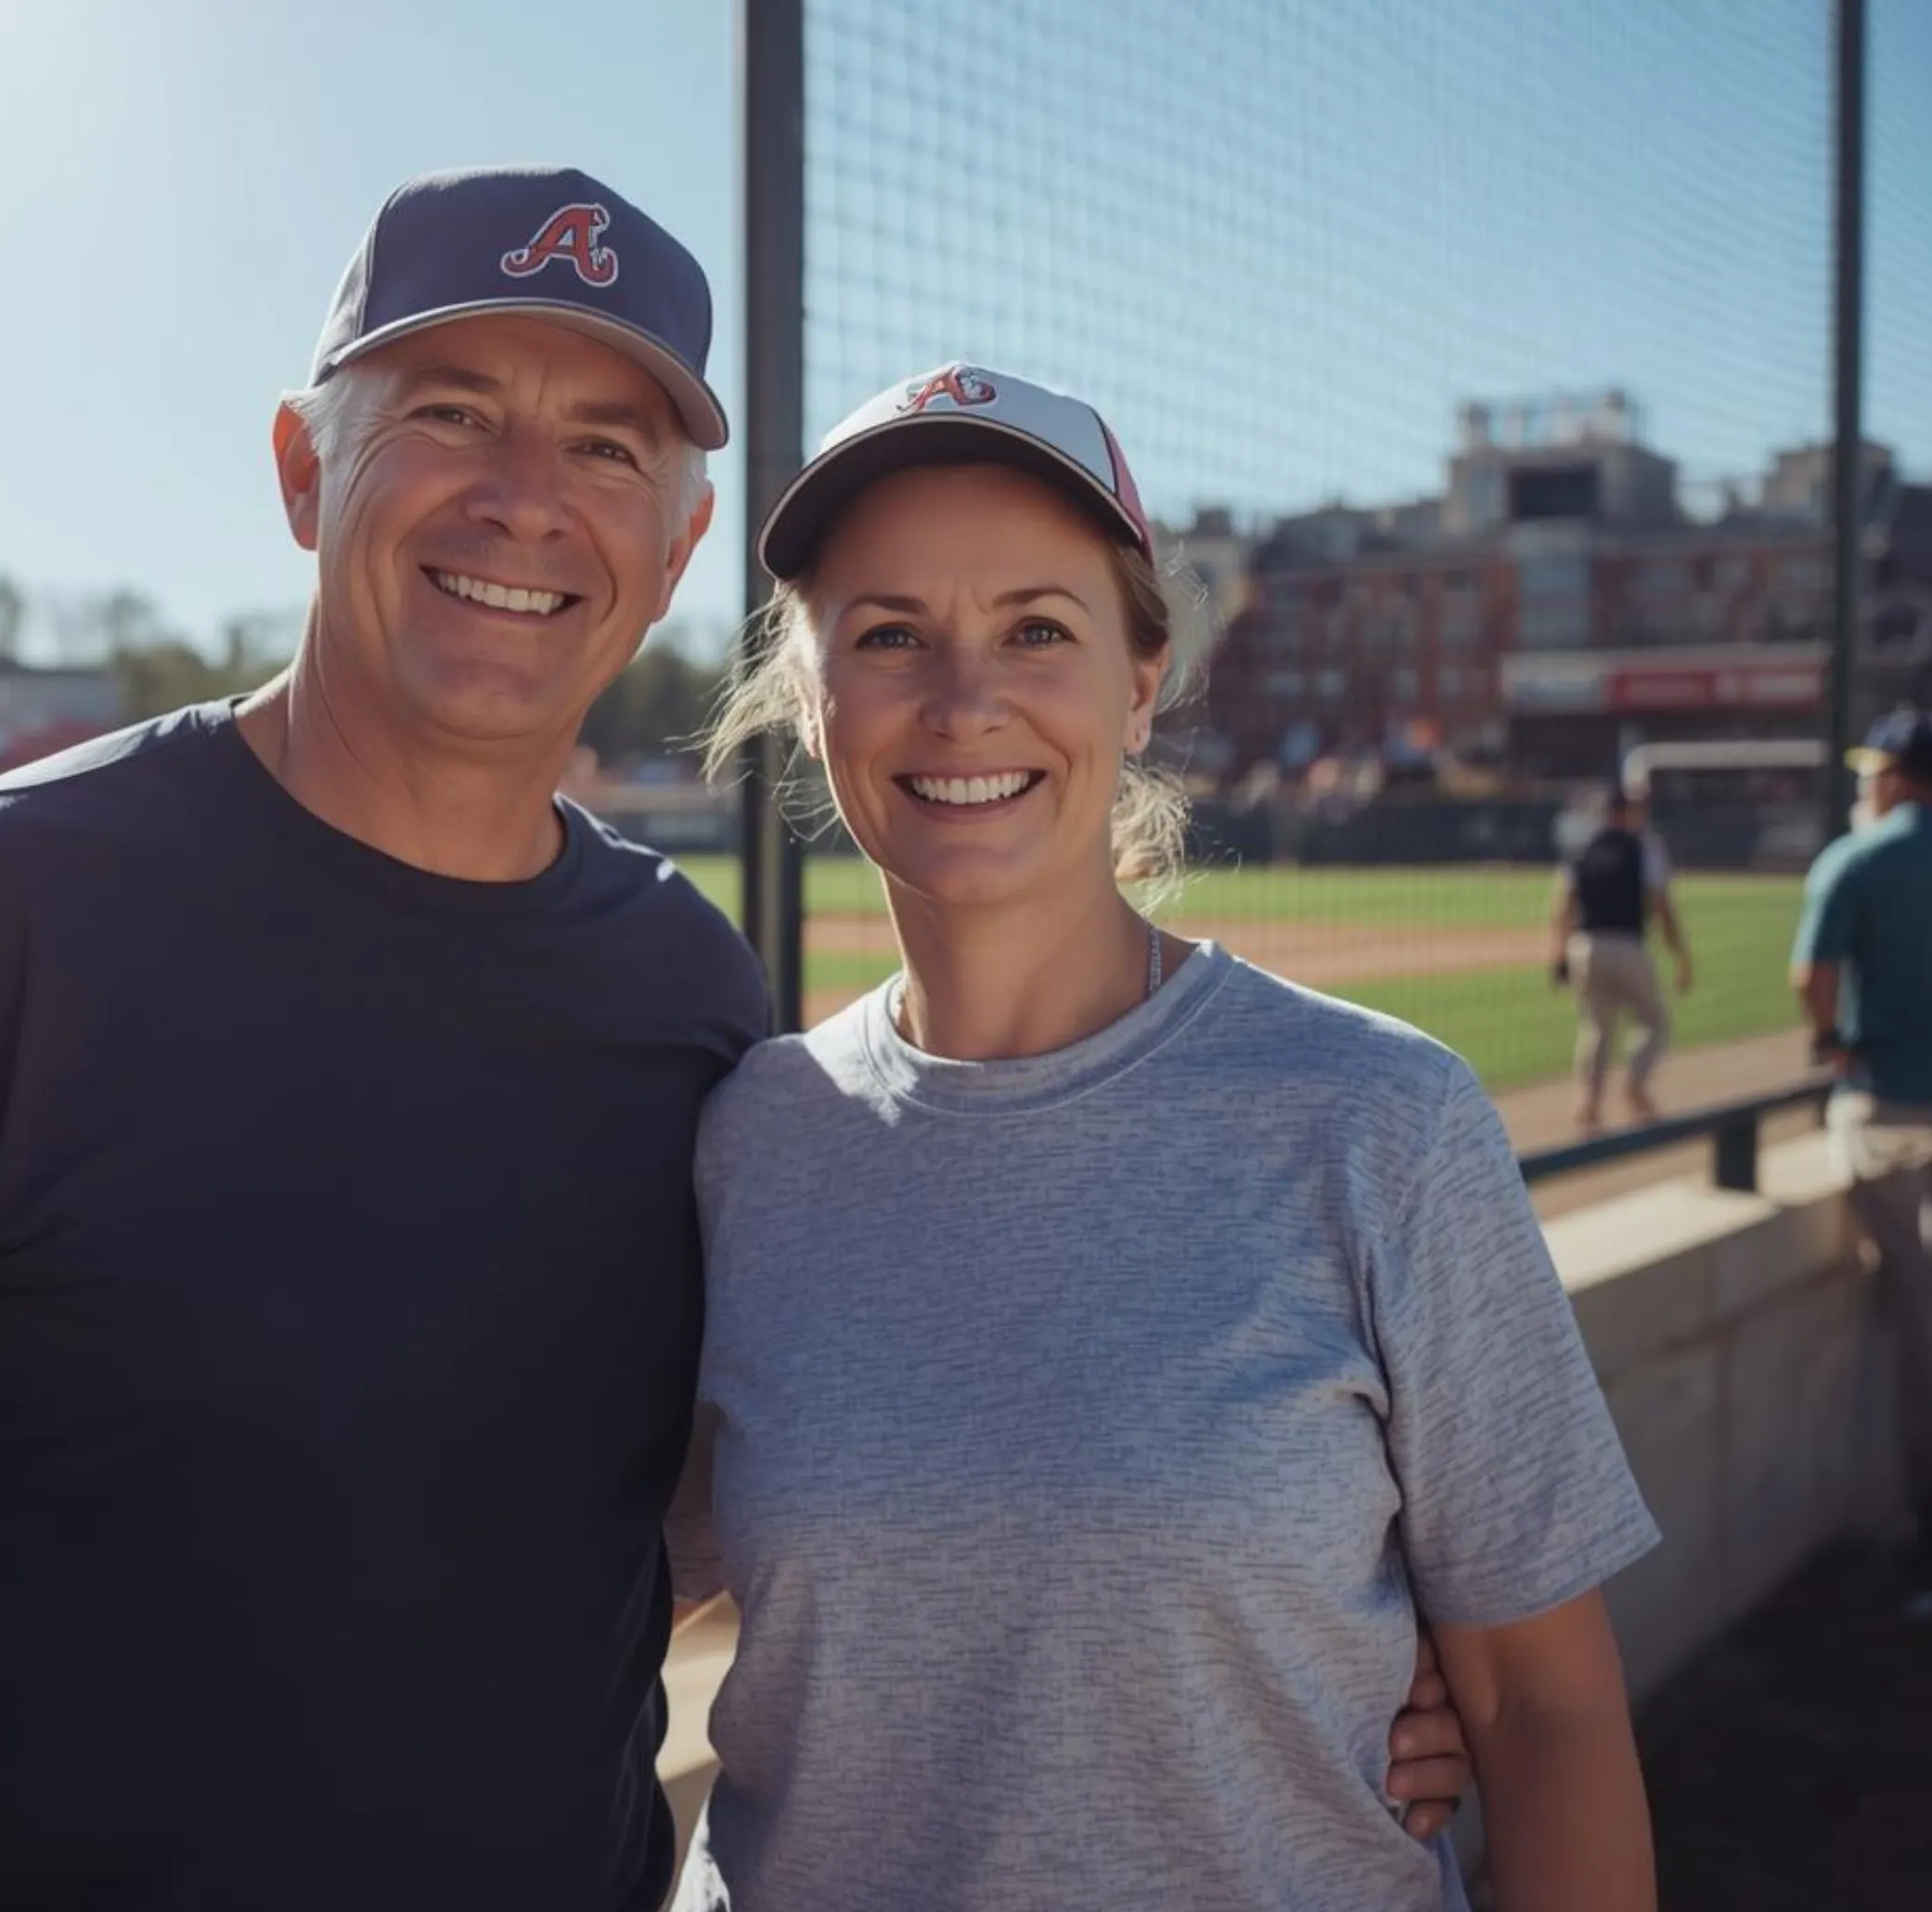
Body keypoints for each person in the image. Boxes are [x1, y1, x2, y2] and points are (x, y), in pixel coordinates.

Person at [0, 174, 1472, 1912]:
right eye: (451, 414)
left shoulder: (688, 997)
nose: (525, 498)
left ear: (677, 542)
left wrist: (1302, 1661)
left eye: (606, 445)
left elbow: (705, 1510)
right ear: (303, 468)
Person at [663, 366, 1659, 1909]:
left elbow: (1546, 1714)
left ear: (1142, 683)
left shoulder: (1379, 1122)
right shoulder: (748, 1141)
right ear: (812, 696)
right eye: (889, 635)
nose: (964, 699)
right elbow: (583, 1599)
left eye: (1037, 630)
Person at [1792, 707, 1932, 1539]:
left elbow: (1811, 976)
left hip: (1891, 1100)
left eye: (1872, 773)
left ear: (1894, 779)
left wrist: (1832, 1043)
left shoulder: (1859, 855)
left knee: (1917, 1296)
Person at [1551, 782, 1692, 1133]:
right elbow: (1661, 906)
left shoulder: (1582, 848)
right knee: (1654, 1022)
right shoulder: (1645, 846)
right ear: (1627, 812)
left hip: (1585, 946)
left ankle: (1587, 1106)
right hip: (1627, 944)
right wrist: (1680, 955)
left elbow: (1562, 906)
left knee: (1596, 1028)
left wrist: (1559, 955)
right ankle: (1635, 1083)